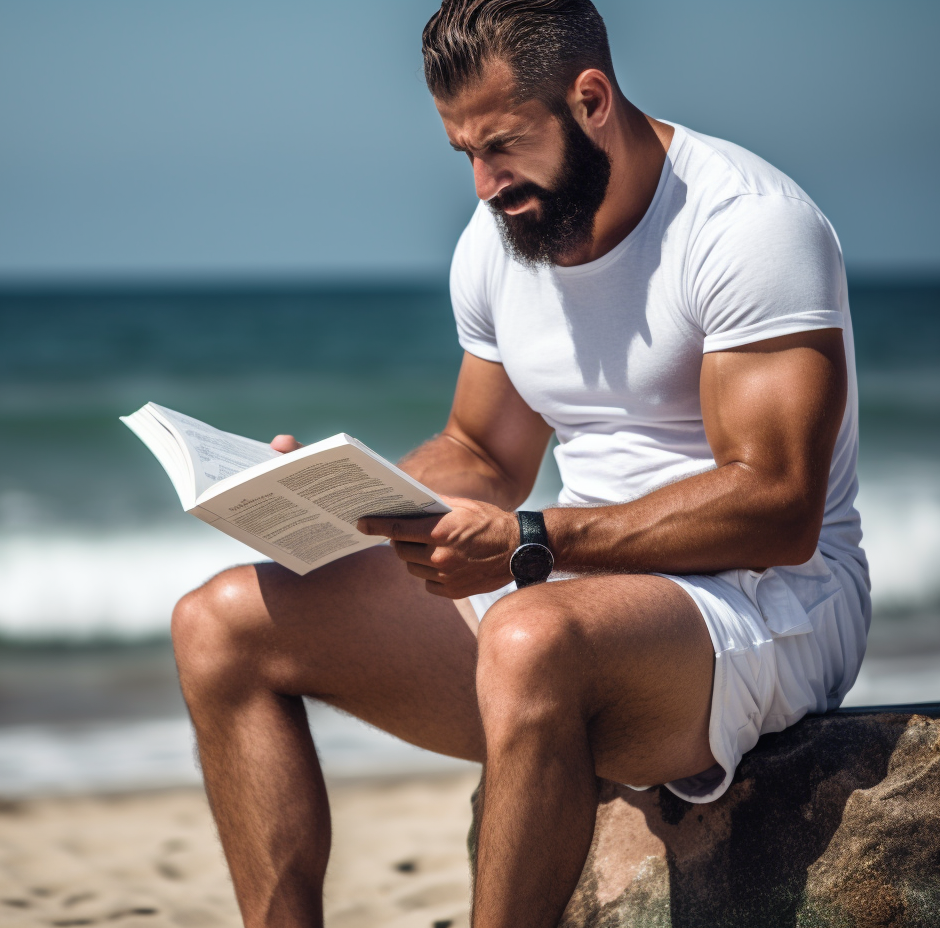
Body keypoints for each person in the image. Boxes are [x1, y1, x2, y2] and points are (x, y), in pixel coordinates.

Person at [169, 1, 870, 925]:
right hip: (570, 586)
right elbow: (483, 453)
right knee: (219, 622)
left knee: (527, 637)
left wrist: (534, 543)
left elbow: (779, 509)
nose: (483, 184)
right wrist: (339, 502)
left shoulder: (750, 226)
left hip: (766, 603)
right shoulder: (501, 240)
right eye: (463, 151)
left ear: (590, 100)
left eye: (502, 145)